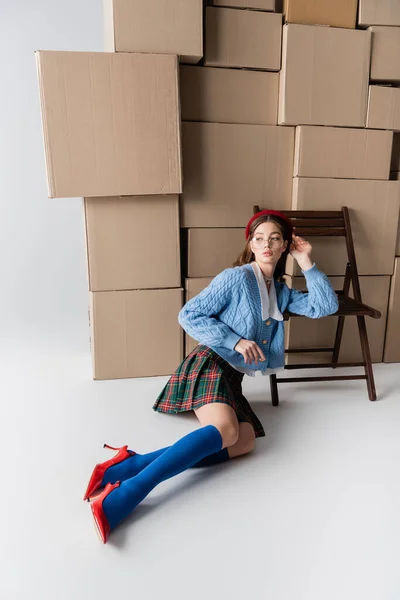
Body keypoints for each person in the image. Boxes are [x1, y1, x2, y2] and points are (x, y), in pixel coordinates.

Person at [84, 209, 339, 543]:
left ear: (284, 247)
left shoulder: (282, 291)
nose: (266, 244)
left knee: (244, 442)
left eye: (275, 239)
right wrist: (235, 340)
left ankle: (126, 466)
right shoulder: (236, 278)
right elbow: (188, 314)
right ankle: (126, 493)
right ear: (251, 244)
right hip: (210, 362)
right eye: (259, 238)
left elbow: (325, 306)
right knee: (226, 431)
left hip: (233, 376)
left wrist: (307, 261)